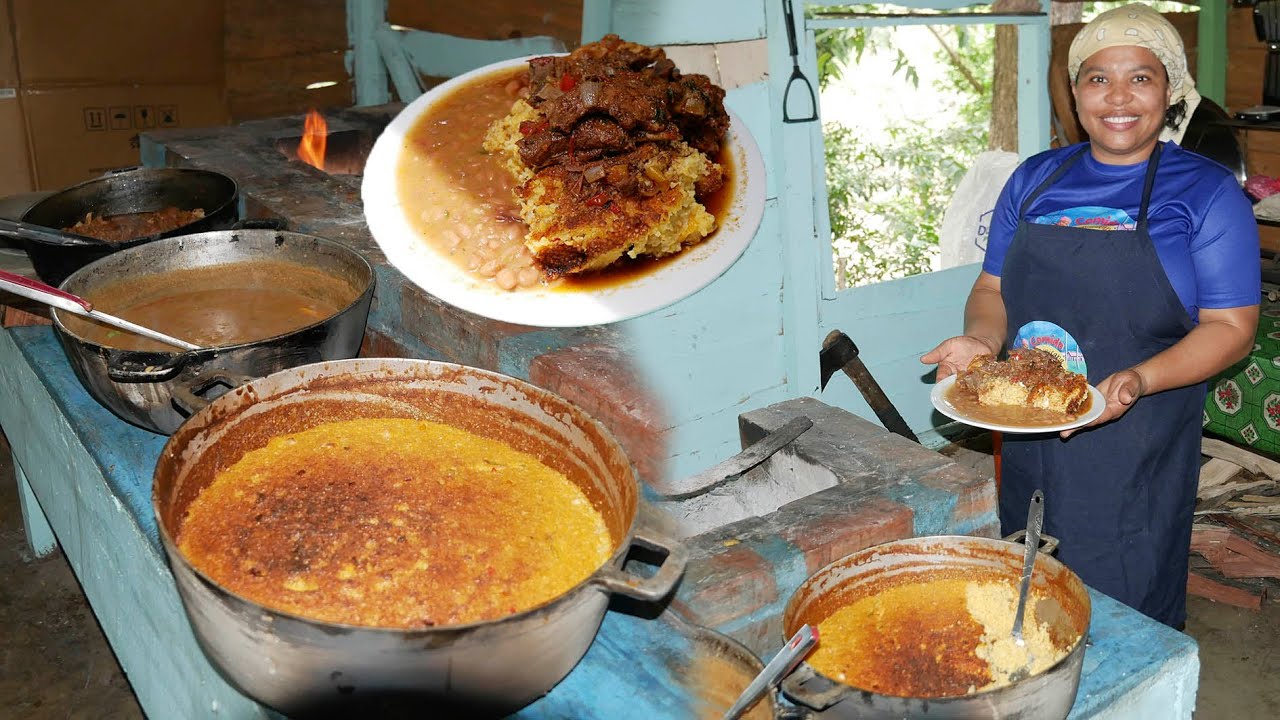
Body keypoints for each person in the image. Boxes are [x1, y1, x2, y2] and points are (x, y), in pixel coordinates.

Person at [921, 3, 1261, 629]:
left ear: (1170, 91)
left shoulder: (1208, 193)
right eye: (1098, 78)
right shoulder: (1034, 178)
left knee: (1126, 601)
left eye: (1141, 77)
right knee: (1033, 578)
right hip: (1030, 424)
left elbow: (1231, 329)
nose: (1118, 97)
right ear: (1076, 93)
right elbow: (992, 288)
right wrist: (981, 342)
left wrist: (1138, 379)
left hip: (1138, 434)